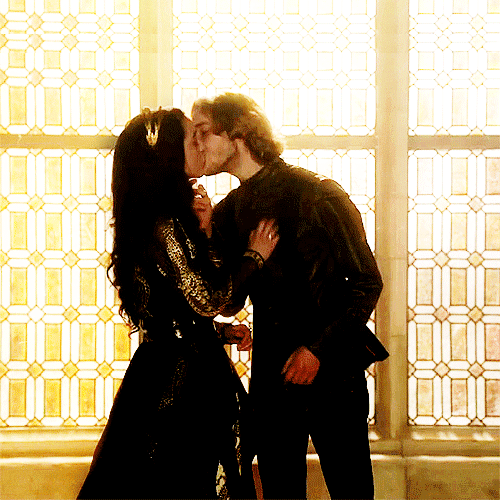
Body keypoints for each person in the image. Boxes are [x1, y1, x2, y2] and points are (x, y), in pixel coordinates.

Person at [192, 93, 389, 500]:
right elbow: (228, 302)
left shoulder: (317, 194)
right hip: (272, 379)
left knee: (352, 492)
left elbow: (368, 282)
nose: (197, 144)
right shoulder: (227, 212)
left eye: (203, 132)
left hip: (335, 373)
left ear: (237, 132)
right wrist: (207, 233)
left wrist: (317, 350)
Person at [77, 107, 278, 500]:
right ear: (168, 153)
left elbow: (171, 310)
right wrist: (254, 256)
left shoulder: (162, 218)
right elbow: (208, 298)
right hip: (182, 385)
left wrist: (218, 331)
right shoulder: (164, 224)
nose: (201, 144)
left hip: (170, 370)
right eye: (192, 137)